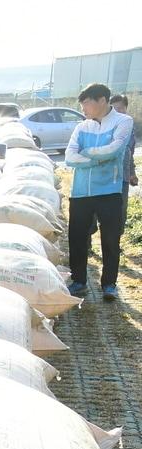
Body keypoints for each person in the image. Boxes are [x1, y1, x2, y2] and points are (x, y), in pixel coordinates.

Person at [65, 82, 135, 302]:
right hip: (81, 192)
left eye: (86, 103)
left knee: (110, 239)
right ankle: (79, 281)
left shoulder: (123, 121)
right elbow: (69, 157)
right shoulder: (82, 127)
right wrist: (96, 159)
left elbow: (114, 150)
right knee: (77, 237)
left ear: (102, 100)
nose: (83, 109)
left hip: (109, 190)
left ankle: (109, 285)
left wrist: (86, 153)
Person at [111, 94, 136, 225]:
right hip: (107, 176)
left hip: (123, 178)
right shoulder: (107, 126)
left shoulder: (130, 127)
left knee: (121, 209)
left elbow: (130, 153)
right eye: (115, 109)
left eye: (121, 108)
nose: (118, 111)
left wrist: (132, 173)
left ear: (126, 108)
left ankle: (117, 235)